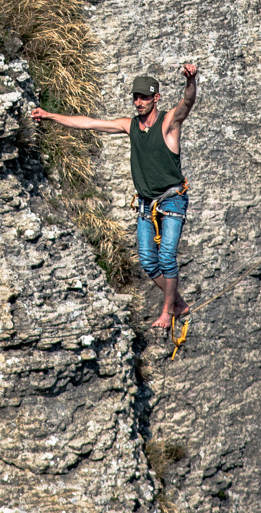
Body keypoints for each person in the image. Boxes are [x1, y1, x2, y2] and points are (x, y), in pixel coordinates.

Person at [32, 63, 198, 332]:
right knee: (147, 261)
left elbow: (187, 103)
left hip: (172, 199)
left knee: (166, 257)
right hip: (146, 203)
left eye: (144, 97)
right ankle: (177, 302)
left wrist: (191, 81)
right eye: (135, 97)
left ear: (156, 98)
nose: (138, 102)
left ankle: (167, 311)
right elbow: (89, 124)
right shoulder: (130, 125)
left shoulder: (169, 124)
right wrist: (51, 116)